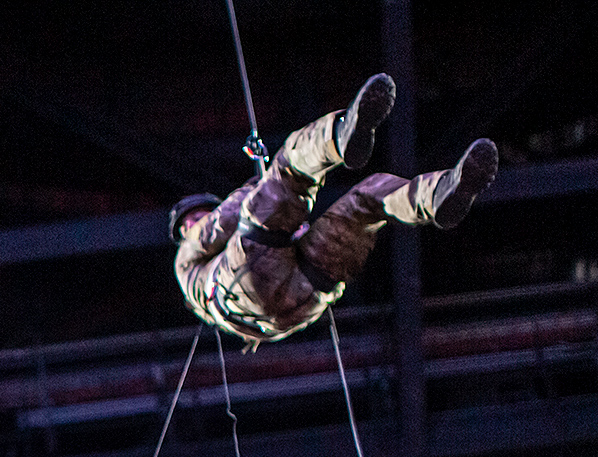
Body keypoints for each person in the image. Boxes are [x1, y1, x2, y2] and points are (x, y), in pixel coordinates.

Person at [171, 74, 500, 347]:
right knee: (289, 168)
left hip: (301, 299)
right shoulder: (186, 257)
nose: (198, 221)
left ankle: (438, 195)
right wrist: (254, 189)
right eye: (192, 220)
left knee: (366, 203)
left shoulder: (202, 283)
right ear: (184, 230)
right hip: (248, 282)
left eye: (201, 214)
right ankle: (338, 136)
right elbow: (224, 220)